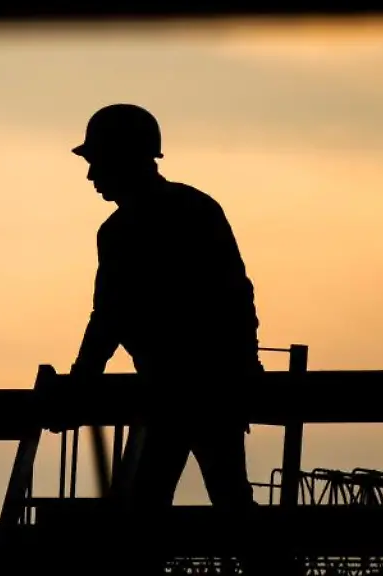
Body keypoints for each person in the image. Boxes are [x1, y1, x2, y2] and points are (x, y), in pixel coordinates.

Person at [68, 103, 267, 569]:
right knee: (224, 500)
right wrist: (245, 367)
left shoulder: (124, 231)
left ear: (124, 159)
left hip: (182, 390)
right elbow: (237, 297)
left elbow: (110, 315)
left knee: (151, 506)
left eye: (98, 162)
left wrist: (81, 380)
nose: (91, 175)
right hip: (208, 386)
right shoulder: (194, 209)